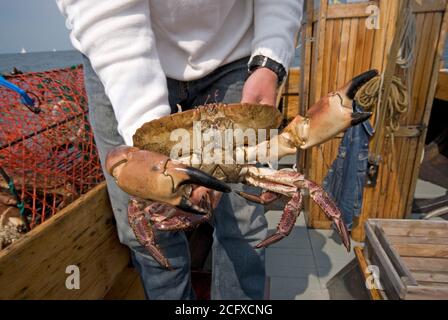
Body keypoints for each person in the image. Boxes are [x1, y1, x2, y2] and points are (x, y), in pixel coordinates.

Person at [56, 0, 302, 300]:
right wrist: (150, 149)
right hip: (115, 52)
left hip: (237, 56)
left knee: (244, 219)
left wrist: (270, 61)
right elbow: (102, 10)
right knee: (144, 225)